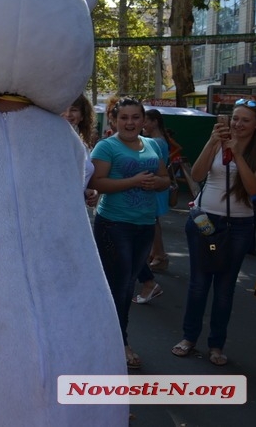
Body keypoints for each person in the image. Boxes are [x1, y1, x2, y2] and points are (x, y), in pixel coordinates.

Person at [171, 98, 256, 366]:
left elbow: (253, 190)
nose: (238, 124)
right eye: (235, 118)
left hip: (238, 226)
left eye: (245, 120)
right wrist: (213, 142)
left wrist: (236, 153)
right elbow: (197, 172)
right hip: (205, 220)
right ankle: (188, 338)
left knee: (225, 288)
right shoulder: (216, 141)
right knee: (198, 284)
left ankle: (216, 345)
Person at [89, 97, 170, 369]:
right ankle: (119, 342)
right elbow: (97, 182)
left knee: (128, 284)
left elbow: (166, 181)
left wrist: (156, 182)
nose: (130, 122)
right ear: (114, 120)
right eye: (124, 117)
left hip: (144, 224)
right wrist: (135, 181)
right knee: (120, 287)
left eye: (135, 117)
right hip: (114, 224)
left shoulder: (152, 145)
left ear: (143, 120)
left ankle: (107, 337)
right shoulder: (106, 146)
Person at [133, 109, 172, 304]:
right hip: (156, 183)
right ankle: (155, 254)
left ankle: (159, 254)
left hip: (152, 184)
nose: (144, 125)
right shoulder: (161, 140)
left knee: (152, 221)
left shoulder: (155, 142)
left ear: (155, 122)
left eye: (145, 121)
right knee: (153, 220)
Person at [62, 94, 98, 207]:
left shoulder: (83, 144)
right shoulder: (49, 142)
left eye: (74, 110)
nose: (68, 114)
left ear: (82, 115)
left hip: (77, 208)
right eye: (63, 109)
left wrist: (86, 191)